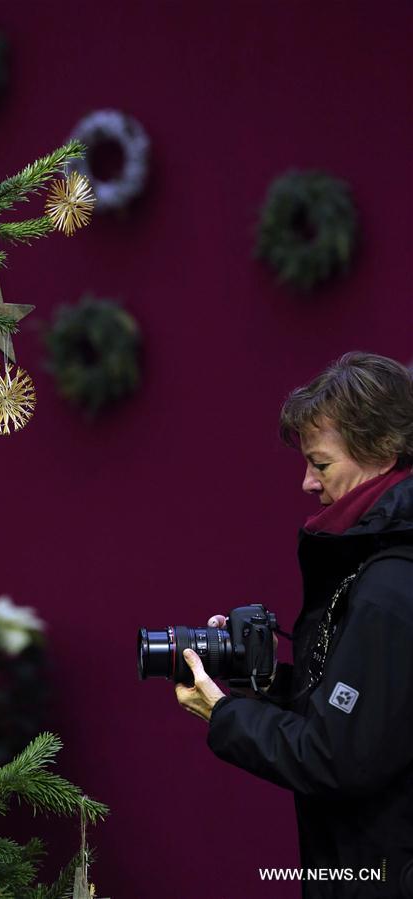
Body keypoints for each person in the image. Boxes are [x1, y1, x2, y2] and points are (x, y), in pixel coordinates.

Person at [175, 352, 413, 899]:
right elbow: (368, 714)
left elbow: (334, 758)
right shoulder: (376, 562)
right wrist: (257, 681)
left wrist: (225, 714)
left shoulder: (392, 582)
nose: (307, 483)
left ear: (382, 451)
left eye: (321, 464)